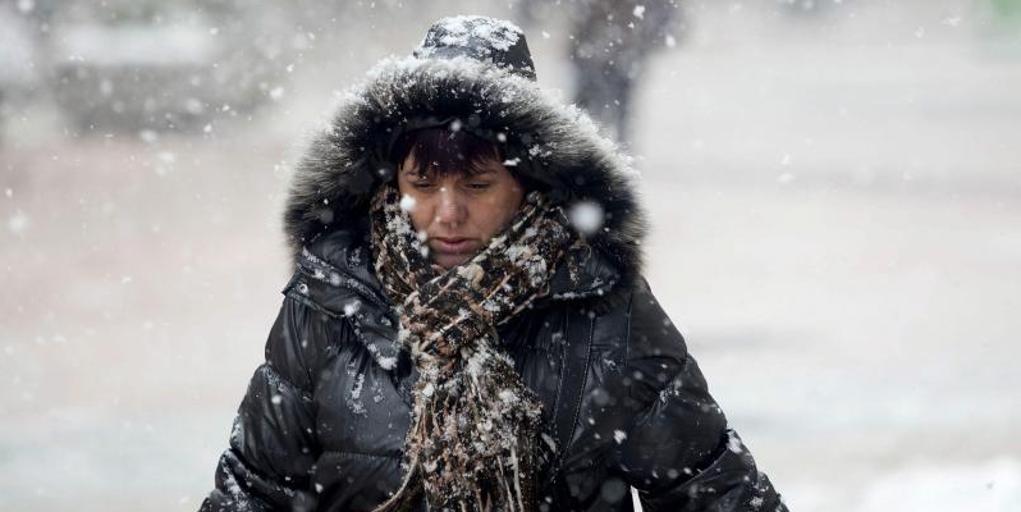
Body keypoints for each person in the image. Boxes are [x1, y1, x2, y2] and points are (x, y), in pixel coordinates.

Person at [200, 15, 786, 512]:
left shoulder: (604, 307)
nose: (446, 212)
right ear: (391, 181)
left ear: (527, 185)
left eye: (478, 184)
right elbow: (252, 491)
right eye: (422, 182)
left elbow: (718, 494)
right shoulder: (331, 299)